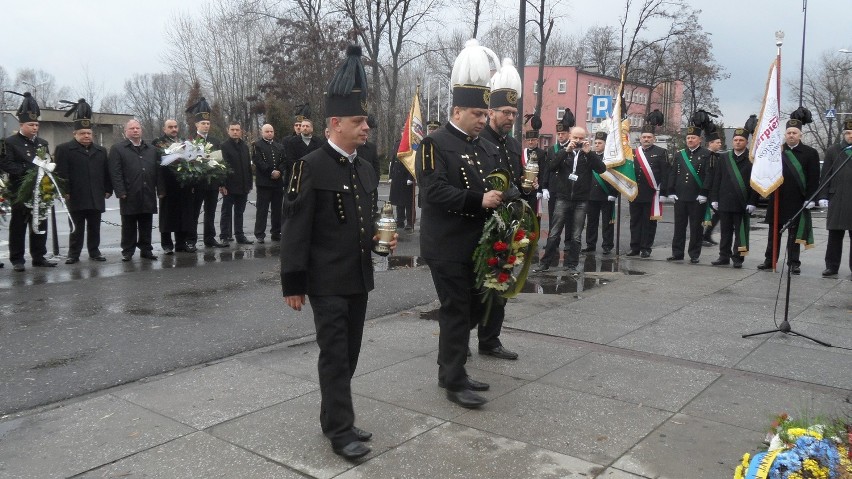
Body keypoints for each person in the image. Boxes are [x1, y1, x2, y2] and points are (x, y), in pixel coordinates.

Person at [281, 45, 395, 460]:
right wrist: (293, 283)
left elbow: (363, 223)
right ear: (335, 124)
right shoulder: (309, 166)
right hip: (325, 280)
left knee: (349, 353)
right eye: (359, 121)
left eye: (366, 121)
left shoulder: (364, 167)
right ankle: (341, 431)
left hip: (358, 278)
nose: (366, 128)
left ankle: (334, 417)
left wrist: (382, 245)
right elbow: (295, 230)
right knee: (333, 354)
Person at [417, 39, 504, 410]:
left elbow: (500, 180)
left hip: (475, 244)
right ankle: (454, 380)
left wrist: (511, 195)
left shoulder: (482, 146)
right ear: (456, 110)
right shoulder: (434, 143)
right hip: (446, 244)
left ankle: (451, 368)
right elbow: (433, 190)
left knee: (471, 308)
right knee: (457, 308)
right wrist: (477, 200)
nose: (483, 121)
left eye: (485, 115)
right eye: (477, 115)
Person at [475, 58, 525, 360]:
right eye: (505, 112)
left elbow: (519, 179)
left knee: (502, 281)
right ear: (490, 112)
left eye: (514, 113)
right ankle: (457, 344)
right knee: (478, 286)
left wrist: (526, 190)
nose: (510, 117)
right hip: (483, 222)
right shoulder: (478, 140)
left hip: (509, 223)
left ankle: (490, 340)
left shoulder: (514, 144)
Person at [536, 125, 605, 272]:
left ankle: (572, 264)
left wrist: (589, 153)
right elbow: (551, 167)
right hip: (563, 197)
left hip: (581, 200)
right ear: (570, 137)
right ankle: (545, 263)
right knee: (554, 233)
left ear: (585, 139)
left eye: (581, 138)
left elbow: (602, 169)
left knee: (576, 235)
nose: (578, 141)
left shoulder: (588, 155)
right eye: (575, 138)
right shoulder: (563, 152)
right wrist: (565, 151)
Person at [1, 91, 56, 271]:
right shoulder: (10, 143)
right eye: (31, 124)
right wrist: (29, 172)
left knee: (40, 222)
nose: (34, 127)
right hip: (20, 190)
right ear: (21, 124)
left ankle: (39, 256)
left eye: (36, 124)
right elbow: (7, 164)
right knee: (18, 226)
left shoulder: (42, 143)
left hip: (40, 191)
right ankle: (17, 259)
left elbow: (48, 161)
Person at [757, 117, 820, 275]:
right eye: (788, 132)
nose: (791, 135)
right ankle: (769, 260)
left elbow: (813, 178)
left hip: (797, 200)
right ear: (785, 134)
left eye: (794, 133)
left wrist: (810, 198)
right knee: (774, 233)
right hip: (777, 199)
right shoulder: (776, 151)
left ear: (800, 135)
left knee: (794, 234)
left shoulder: (810, 153)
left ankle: (793, 262)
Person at [53, 99, 112, 264]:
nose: (86, 136)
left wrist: (108, 188)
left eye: (89, 133)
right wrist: (64, 191)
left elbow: (106, 172)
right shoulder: (64, 149)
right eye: (82, 133)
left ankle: (94, 251)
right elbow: (61, 173)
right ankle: (74, 253)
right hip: (75, 195)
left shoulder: (100, 151)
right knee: (75, 227)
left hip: (96, 195)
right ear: (75, 134)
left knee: (95, 227)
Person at [108, 119, 159, 262]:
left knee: (146, 223)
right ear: (126, 132)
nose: (135, 130)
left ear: (141, 130)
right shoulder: (118, 149)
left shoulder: (151, 149)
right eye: (132, 128)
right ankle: (128, 250)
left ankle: (146, 249)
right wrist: (120, 191)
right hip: (129, 192)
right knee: (129, 224)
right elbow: (115, 172)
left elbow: (157, 171)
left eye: (137, 128)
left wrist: (159, 189)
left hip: (147, 191)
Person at [709, 127, 757, 268]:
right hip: (725, 201)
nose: (737, 142)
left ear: (746, 142)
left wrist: (753, 201)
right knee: (725, 232)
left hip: (742, 202)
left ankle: (738, 258)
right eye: (735, 140)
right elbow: (717, 179)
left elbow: (755, 183)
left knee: (741, 232)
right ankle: (723, 256)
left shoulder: (752, 158)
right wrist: (714, 198)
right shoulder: (724, 157)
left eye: (741, 140)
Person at [666, 125, 712, 264]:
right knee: (679, 226)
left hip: (697, 198)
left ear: (700, 139)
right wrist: (671, 191)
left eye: (693, 137)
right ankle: (677, 253)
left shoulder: (707, 154)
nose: (690, 140)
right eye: (688, 138)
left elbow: (709, 175)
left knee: (695, 228)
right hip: (680, 196)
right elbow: (674, 173)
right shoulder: (680, 154)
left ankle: (694, 254)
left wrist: (704, 193)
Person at [186, 97, 227, 248]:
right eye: (203, 123)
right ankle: (191, 240)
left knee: (210, 213)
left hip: (212, 184)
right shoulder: (191, 140)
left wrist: (221, 183)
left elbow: (221, 163)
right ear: (197, 124)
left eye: (208, 123)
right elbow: (188, 165)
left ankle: (210, 238)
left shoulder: (216, 141)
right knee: (194, 213)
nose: (206, 126)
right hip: (197, 185)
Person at [152, 119, 196, 254]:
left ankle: (181, 243)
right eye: (170, 127)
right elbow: (157, 166)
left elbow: (192, 161)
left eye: (175, 126)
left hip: (183, 185)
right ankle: (166, 244)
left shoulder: (184, 142)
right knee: (167, 216)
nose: (173, 129)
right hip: (167, 184)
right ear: (164, 129)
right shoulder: (158, 143)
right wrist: (160, 187)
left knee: (183, 215)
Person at [818, 119, 852, 277]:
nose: (850, 136)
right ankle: (832, 266)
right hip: (837, 198)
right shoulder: (834, 150)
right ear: (844, 134)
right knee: (835, 235)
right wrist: (823, 195)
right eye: (848, 133)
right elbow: (826, 175)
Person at [629, 124, 668, 258]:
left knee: (649, 223)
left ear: (654, 139)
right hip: (635, 193)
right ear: (640, 139)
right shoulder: (634, 153)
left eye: (649, 137)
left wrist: (663, 193)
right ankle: (634, 247)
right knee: (635, 221)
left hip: (651, 193)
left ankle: (646, 248)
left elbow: (665, 174)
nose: (646, 139)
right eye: (644, 137)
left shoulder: (661, 152)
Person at [540, 112, 574, 263]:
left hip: (568, 188)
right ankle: (553, 244)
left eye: (563, 133)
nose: (560, 136)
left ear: (568, 134)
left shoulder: (573, 148)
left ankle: (568, 243)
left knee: (568, 218)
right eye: (558, 133)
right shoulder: (552, 149)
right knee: (554, 217)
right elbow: (547, 168)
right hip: (554, 188)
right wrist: (545, 186)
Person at [219, 122, 253, 245]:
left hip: (243, 185)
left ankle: (240, 235)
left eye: (237, 129)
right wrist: (222, 185)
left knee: (239, 212)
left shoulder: (244, 146)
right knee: (226, 212)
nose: (235, 132)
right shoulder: (224, 146)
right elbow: (222, 167)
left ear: (241, 131)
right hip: (229, 186)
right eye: (232, 129)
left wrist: (249, 184)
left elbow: (248, 167)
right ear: (228, 131)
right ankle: (224, 236)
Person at [584, 131, 617, 255]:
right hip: (591, 195)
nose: (597, 145)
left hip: (606, 194)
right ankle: (590, 244)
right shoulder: (589, 156)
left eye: (600, 143)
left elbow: (615, 177)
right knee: (591, 222)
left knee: (607, 222)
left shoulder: (611, 158)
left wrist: (614, 193)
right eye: (595, 143)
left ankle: (607, 245)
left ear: (605, 144)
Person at [252, 123, 285, 243]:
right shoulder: (257, 145)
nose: (269, 133)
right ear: (262, 132)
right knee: (262, 209)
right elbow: (258, 161)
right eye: (267, 131)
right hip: (264, 183)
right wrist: (270, 172)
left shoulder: (279, 146)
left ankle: (276, 232)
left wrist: (279, 171)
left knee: (277, 209)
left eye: (271, 131)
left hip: (277, 183)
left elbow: (283, 160)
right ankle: (260, 234)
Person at [702, 128, 723, 247]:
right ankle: (702, 236)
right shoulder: (706, 155)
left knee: (718, 213)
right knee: (702, 214)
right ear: (710, 143)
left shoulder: (718, 156)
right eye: (717, 142)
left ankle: (707, 234)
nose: (720, 144)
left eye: (720, 142)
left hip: (714, 189)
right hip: (706, 189)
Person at [358, 115, 381, 216]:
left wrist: (376, 180)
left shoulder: (372, 147)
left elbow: (376, 165)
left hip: (370, 181)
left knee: (371, 208)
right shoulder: (354, 147)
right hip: (358, 180)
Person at [388, 156, 414, 229]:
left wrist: (410, 177)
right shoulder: (396, 145)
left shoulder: (410, 145)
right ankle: (400, 220)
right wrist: (391, 176)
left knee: (408, 203)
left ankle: (409, 222)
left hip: (406, 178)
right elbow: (392, 163)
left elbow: (411, 163)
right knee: (398, 201)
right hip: (397, 177)